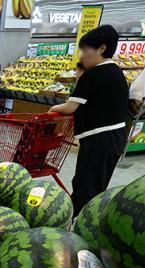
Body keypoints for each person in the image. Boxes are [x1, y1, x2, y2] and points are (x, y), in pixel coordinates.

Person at [50, 25, 129, 214]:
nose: (81, 57)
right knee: (96, 186)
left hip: (98, 139)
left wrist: (53, 108)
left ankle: (75, 222)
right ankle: (89, 218)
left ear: (101, 49)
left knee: (84, 186)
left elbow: (70, 107)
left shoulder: (93, 74)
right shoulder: (117, 73)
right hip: (116, 138)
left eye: (85, 51)